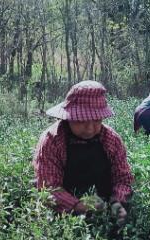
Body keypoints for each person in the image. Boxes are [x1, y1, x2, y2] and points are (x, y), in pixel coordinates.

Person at [33, 80, 133, 224]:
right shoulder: (52, 140)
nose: (90, 129)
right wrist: (78, 206)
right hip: (65, 215)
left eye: (97, 121)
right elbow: (49, 188)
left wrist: (118, 202)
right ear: (69, 117)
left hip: (104, 204)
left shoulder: (111, 139)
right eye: (82, 121)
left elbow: (123, 178)